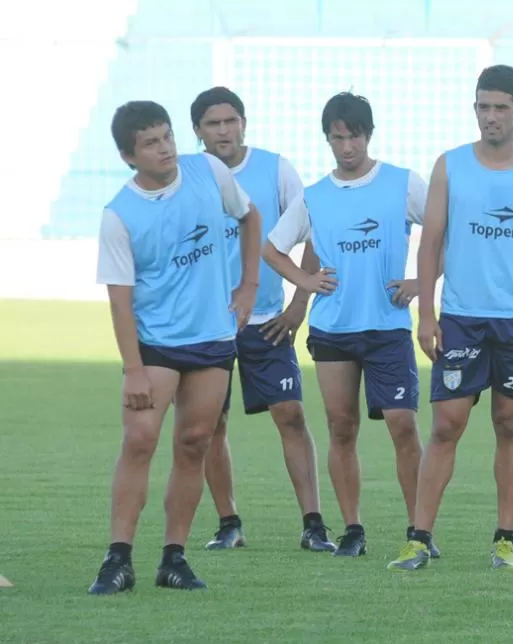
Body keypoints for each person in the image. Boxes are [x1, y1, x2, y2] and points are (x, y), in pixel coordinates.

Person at [387, 64, 513, 573]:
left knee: (510, 424)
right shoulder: (450, 166)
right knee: (447, 424)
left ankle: (504, 540)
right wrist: (427, 314)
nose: (490, 117)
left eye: (500, 108)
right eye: (482, 107)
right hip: (462, 317)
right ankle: (419, 538)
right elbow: (431, 241)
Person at [89, 100, 263, 594]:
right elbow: (120, 303)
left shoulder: (208, 170)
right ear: (129, 156)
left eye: (167, 137)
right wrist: (133, 369)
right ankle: (117, 559)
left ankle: (174, 558)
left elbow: (250, 217)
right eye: (151, 142)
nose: (165, 148)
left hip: (212, 338)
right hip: (157, 345)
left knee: (193, 444)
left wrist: (248, 285)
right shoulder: (118, 216)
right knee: (139, 441)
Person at [262, 91, 440, 558]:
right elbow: (272, 247)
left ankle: (418, 530)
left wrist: (421, 281)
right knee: (342, 428)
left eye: (354, 136)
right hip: (333, 330)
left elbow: (445, 232)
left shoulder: (403, 183)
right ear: (328, 140)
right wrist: (304, 279)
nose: (347, 146)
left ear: (369, 134)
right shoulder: (315, 197)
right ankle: (353, 529)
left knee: (403, 425)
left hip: (387, 328)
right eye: (337, 138)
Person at [189, 86, 335, 553]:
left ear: (244, 123)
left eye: (231, 121)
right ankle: (228, 523)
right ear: (198, 131)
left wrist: (298, 305)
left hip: (267, 318)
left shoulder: (275, 169)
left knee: (290, 415)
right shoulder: (187, 178)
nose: (224, 130)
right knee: (211, 424)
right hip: (204, 326)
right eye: (213, 123)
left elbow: (315, 229)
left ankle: (314, 524)